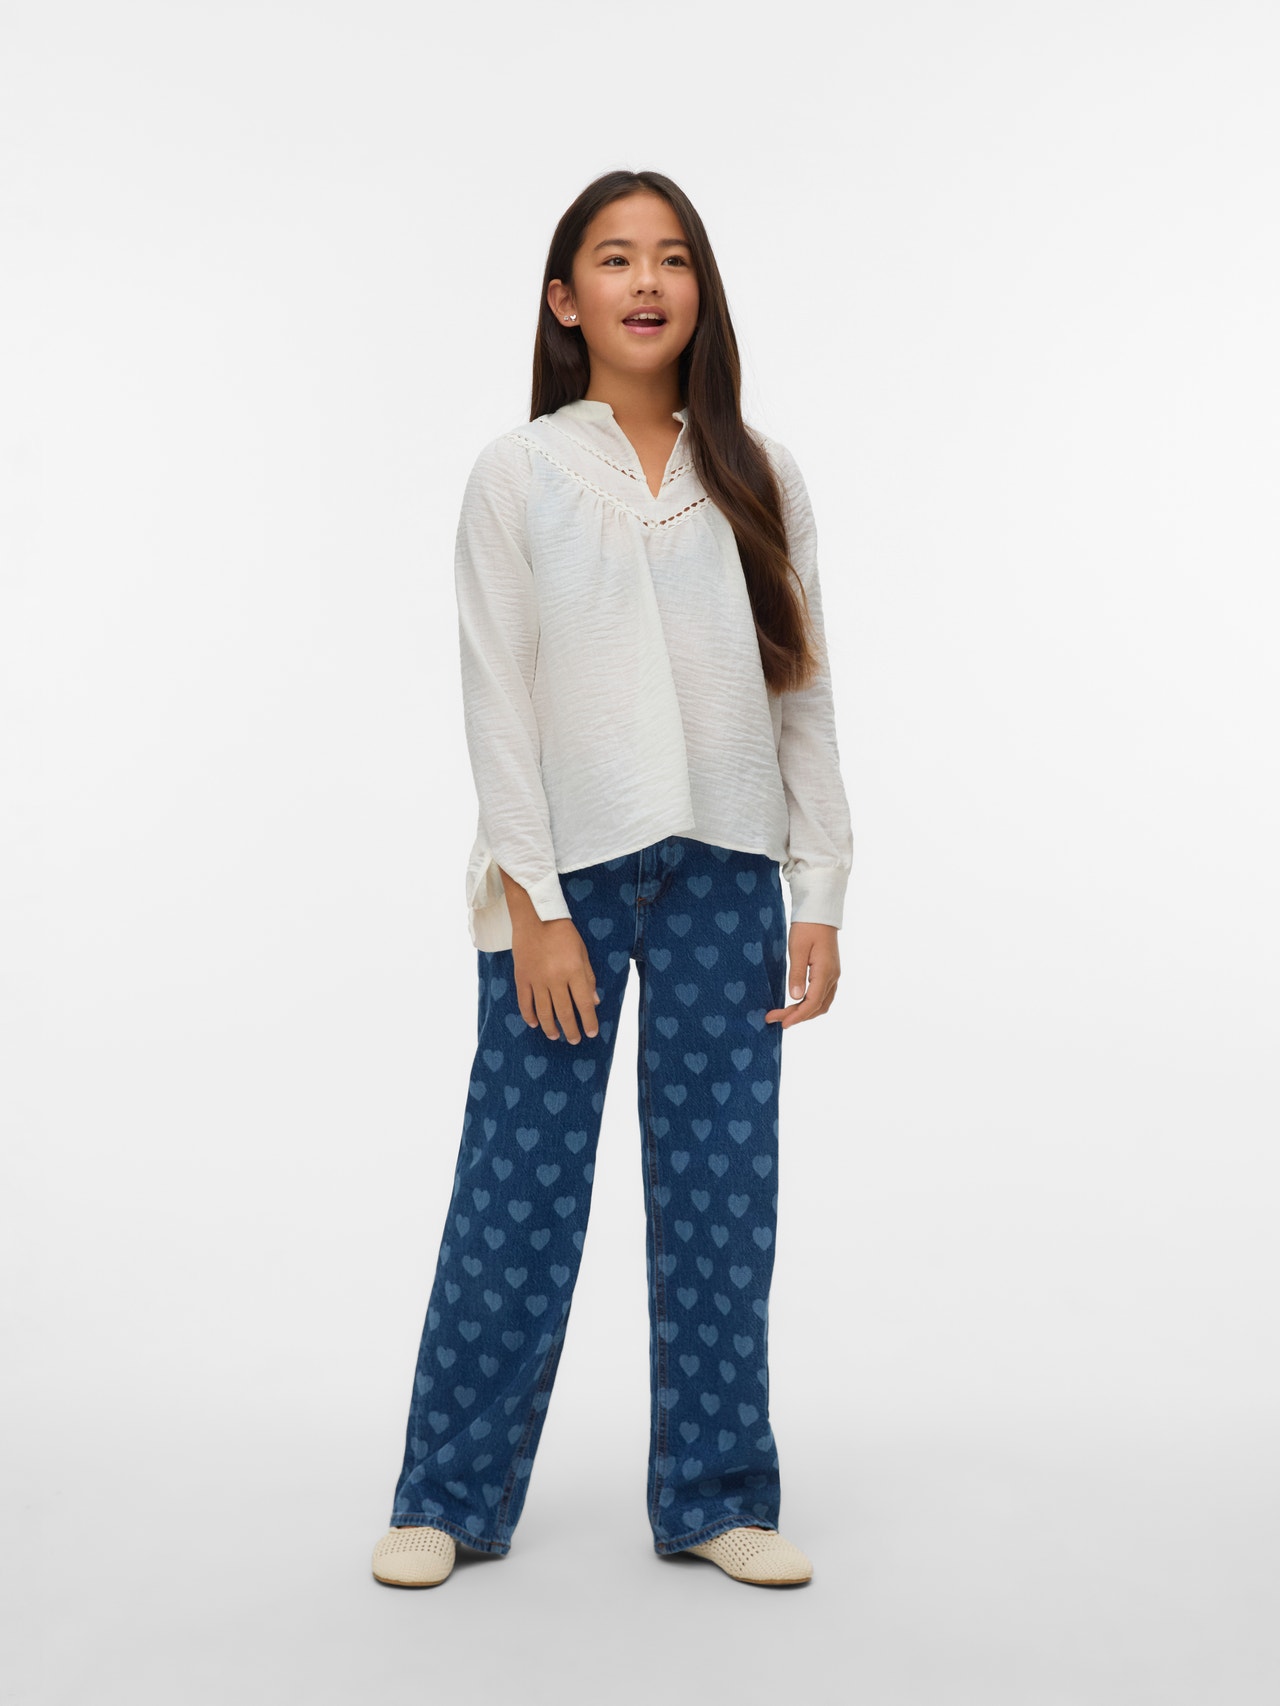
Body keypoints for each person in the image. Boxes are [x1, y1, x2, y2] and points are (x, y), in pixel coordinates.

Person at [371, 168, 852, 1591]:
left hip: (727, 870)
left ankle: (716, 1494)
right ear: (564, 298)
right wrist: (533, 904)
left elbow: (803, 689)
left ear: (701, 290)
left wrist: (819, 887)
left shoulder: (760, 475)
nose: (648, 281)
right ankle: (449, 1496)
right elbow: (496, 696)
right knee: (517, 1190)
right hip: (563, 880)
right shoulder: (518, 474)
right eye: (616, 257)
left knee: (722, 1193)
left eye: (674, 257)